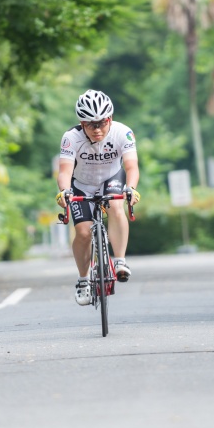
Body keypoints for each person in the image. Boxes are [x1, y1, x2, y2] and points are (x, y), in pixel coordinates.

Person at [56, 89, 140, 306]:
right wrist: (64, 191)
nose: (97, 129)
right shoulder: (71, 138)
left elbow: (131, 166)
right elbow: (64, 171)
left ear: (109, 119)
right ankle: (83, 280)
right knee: (83, 233)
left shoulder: (123, 133)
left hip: (111, 178)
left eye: (101, 123)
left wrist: (131, 188)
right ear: (82, 123)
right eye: (90, 124)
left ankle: (120, 261)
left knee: (115, 206)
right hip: (81, 185)